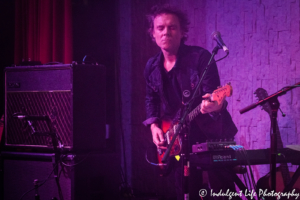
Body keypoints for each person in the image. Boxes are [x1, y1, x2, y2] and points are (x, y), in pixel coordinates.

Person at [143, 4, 240, 200]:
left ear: (182, 31)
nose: (166, 32)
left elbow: (213, 98)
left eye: (172, 27)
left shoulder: (200, 57)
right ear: (152, 33)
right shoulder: (151, 66)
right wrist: (154, 126)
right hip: (179, 139)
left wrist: (215, 105)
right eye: (160, 28)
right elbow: (150, 98)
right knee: (186, 191)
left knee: (224, 193)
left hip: (212, 136)